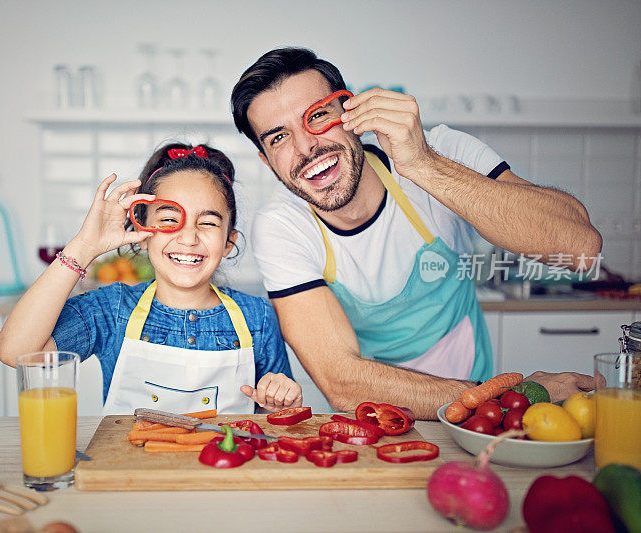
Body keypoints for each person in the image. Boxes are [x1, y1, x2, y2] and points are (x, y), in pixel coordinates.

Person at [230, 47, 601, 419]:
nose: (305, 146)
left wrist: (422, 163)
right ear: (266, 161)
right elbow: (343, 382)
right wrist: (508, 397)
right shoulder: (282, 226)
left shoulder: (443, 150)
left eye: (318, 116)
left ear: (351, 113)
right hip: (381, 415)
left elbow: (580, 248)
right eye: (278, 138)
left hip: (476, 403)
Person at [0, 143, 301, 414]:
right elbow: (15, 352)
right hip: (131, 477)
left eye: (207, 222)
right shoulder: (112, 309)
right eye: (169, 220)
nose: (189, 238)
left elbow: (272, 418)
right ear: (142, 234)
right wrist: (83, 247)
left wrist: (280, 401)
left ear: (228, 242)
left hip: (223, 476)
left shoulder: (258, 317)